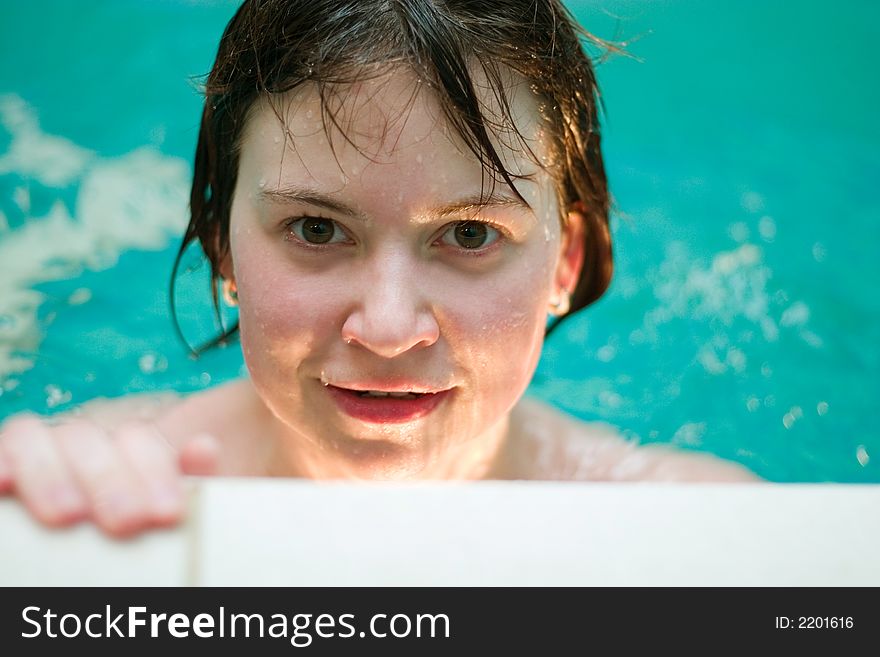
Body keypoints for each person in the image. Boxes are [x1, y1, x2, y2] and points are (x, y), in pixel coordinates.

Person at [0, 0, 759, 537]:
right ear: (221, 245)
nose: (389, 330)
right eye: (317, 227)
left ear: (565, 263)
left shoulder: (691, 525)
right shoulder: (100, 480)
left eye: (469, 233)